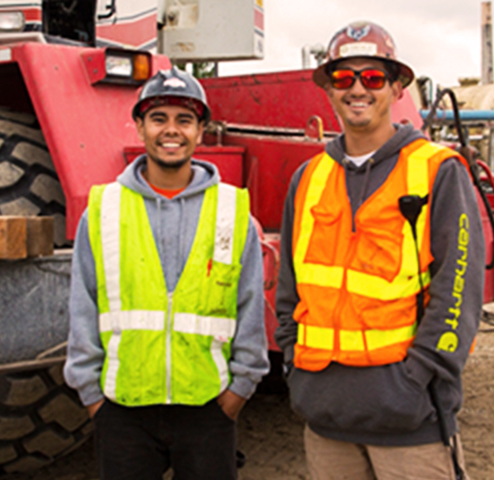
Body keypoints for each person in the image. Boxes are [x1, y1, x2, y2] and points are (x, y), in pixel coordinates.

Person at [275, 21, 485, 480]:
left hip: (412, 424)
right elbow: (290, 291)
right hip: (325, 420)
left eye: (372, 78)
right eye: (343, 78)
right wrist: (296, 367)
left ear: (396, 86)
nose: (357, 89)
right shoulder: (308, 179)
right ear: (328, 89)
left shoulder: (436, 171)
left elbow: (458, 294)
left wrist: (419, 378)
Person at [64, 67, 270, 480]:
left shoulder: (231, 212)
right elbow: (81, 305)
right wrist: (93, 398)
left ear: (201, 130)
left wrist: (239, 390)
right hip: (123, 412)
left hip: (209, 409)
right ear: (139, 126)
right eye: (159, 118)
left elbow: (249, 304)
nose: (170, 130)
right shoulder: (104, 211)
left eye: (184, 120)